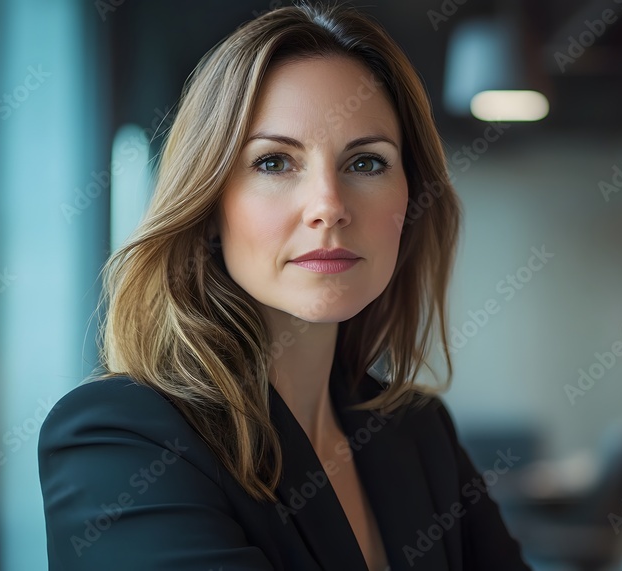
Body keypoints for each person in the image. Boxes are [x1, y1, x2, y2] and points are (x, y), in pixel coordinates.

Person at [38, 3, 532, 570]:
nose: (328, 205)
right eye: (274, 163)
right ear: (209, 206)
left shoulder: (418, 432)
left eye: (367, 163)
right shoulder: (119, 442)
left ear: (410, 201)